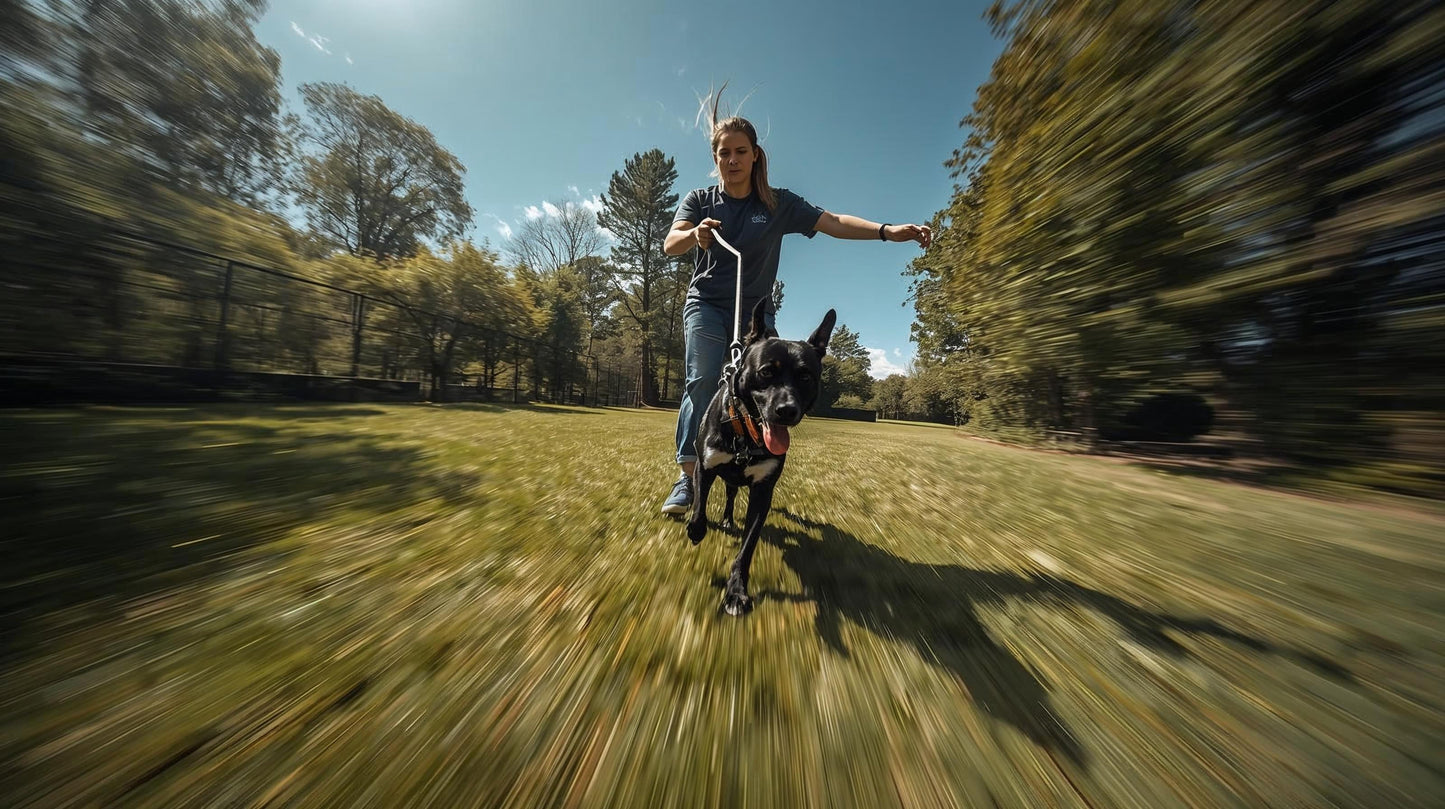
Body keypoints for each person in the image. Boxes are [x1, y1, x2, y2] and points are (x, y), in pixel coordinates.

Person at [659, 100, 932, 515]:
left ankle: (754, 465)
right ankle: (688, 476)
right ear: (715, 159)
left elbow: (833, 221)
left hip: (756, 313)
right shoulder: (701, 200)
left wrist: (886, 231)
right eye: (724, 153)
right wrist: (695, 233)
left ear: (755, 155)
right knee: (703, 381)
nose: (732, 160)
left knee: (764, 385)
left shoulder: (776, 203)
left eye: (740, 151)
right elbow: (671, 243)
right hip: (707, 304)